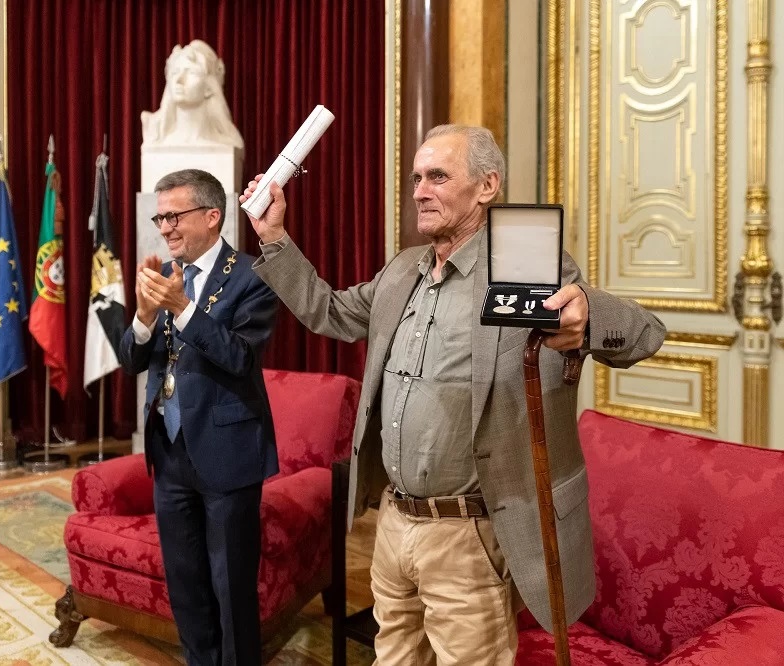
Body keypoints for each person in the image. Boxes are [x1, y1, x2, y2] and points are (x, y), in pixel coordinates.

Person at [241, 124, 666, 664]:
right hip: (393, 523)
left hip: (469, 534)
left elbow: (644, 334)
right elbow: (330, 311)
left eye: (438, 176)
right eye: (417, 177)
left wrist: (586, 311)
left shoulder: (521, 268)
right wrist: (275, 237)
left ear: (487, 185)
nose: (420, 189)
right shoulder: (402, 272)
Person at [116, 168, 278, 665]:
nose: (164, 227)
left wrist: (182, 308)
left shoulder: (255, 276)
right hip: (168, 452)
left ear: (212, 216)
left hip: (227, 454)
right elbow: (131, 362)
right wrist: (143, 318)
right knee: (185, 585)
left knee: (231, 590)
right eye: (159, 216)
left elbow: (240, 359)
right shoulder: (166, 277)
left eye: (174, 215)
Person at [141, 39, 244, 149]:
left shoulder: (227, 145)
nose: (178, 80)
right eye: (175, 72)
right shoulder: (155, 141)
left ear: (209, 88)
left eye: (191, 72)